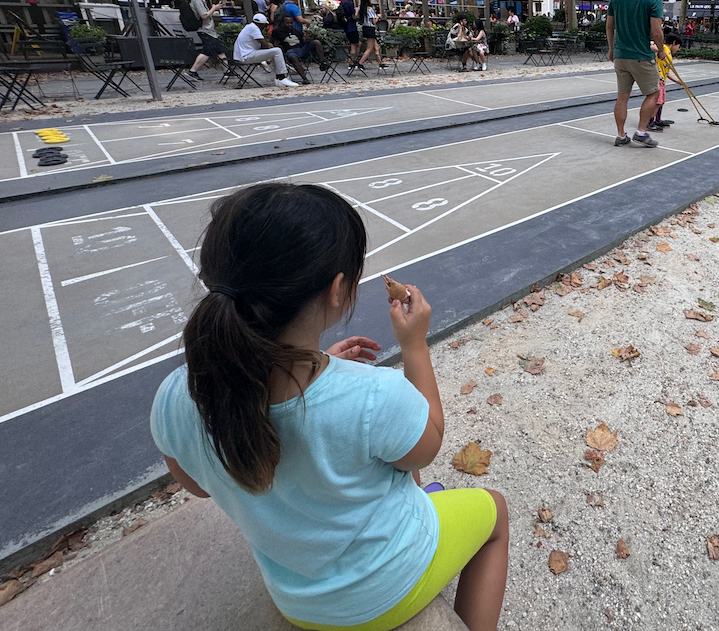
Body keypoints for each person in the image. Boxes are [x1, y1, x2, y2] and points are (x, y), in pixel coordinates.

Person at [150, 183, 508, 631]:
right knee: (495, 511)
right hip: (384, 591)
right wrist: (415, 345)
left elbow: (200, 485)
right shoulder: (373, 395)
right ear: (338, 289)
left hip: (298, 603)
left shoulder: (174, 397)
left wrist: (317, 368)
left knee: (398, 465)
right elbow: (427, 445)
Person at [607, 0, 665, 148]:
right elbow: (656, 31)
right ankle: (641, 132)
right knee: (654, 93)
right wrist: (661, 51)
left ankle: (620, 135)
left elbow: (609, 26)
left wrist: (611, 48)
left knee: (622, 97)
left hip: (621, 55)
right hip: (641, 55)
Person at [234, 13, 299, 88]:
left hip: (243, 55)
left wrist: (268, 46)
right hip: (246, 56)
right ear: (261, 24)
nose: (264, 27)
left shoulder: (249, 26)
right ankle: (281, 77)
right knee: (277, 51)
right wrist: (269, 45)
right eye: (264, 25)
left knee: (275, 52)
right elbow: (264, 45)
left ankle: (278, 76)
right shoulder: (254, 29)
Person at [186, 0, 231, 80]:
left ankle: (227, 71)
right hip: (205, 30)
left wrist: (215, 7)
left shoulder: (199, 0)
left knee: (220, 50)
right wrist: (214, 8)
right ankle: (192, 71)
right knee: (207, 52)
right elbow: (204, 15)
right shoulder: (197, 0)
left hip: (209, 30)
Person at [647, 32, 682, 132]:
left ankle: (658, 120)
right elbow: (652, 47)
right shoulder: (664, 49)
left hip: (662, 79)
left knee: (661, 102)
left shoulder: (669, 54)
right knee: (657, 102)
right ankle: (650, 122)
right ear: (674, 43)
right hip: (657, 79)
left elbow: (666, 72)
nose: (677, 49)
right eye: (678, 46)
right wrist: (659, 51)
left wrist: (676, 81)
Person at [358, 0, 382, 67]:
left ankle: (380, 62)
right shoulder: (370, 9)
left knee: (375, 47)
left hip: (365, 27)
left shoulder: (362, 9)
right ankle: (360, 63)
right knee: (369, 48)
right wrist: (378, 16)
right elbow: (374, 21)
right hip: (370, 28)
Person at [341, 0, 361, 65]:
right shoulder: (350, 3)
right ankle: (352, 61)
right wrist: (357, 10)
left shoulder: (342, 2)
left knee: (356, 43)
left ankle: (353, 60)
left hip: (345, 26)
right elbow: (354, 16)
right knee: (354, 44)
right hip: (351, 26)